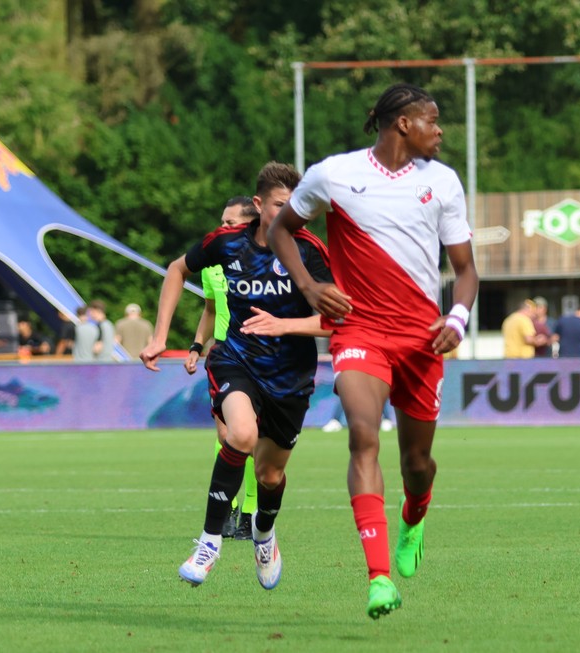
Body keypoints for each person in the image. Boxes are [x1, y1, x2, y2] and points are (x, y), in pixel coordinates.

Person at [267, 83, 479, 619]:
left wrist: (457, 316)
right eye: (432, 121)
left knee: (418, 463)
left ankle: (415, 514)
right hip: (359, 331)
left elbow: (466, 270)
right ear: (402, 124)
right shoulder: (333, 174)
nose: (440, 130)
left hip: (421, 338)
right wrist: (311, 288)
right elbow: (281, 229)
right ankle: (378, 577)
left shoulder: (444, 182)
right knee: (362, 435)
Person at [140, 161, 333, 590]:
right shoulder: (226, 244)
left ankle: (264, 534)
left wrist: (286, 326)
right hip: (237, 360)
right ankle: (209, 542)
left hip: (291, 376)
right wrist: (159, 337)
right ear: (260, 204)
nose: (291, 212)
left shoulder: (309, 251)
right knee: (239, 436)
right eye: (282, 205)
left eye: (297, 205)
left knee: (269, 475)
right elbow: (176, 269)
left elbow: (340, 319)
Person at [185, 196, 260, 540]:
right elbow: (210, 310)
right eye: (222, 222)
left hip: (260, 354)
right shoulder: (212, 264)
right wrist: (196, 347)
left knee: (255, 439)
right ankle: (229, 507)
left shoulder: (263, 258)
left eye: (230, 224)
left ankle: (249, 513)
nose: (223, 229)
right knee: (226, 436)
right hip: (224, 354)